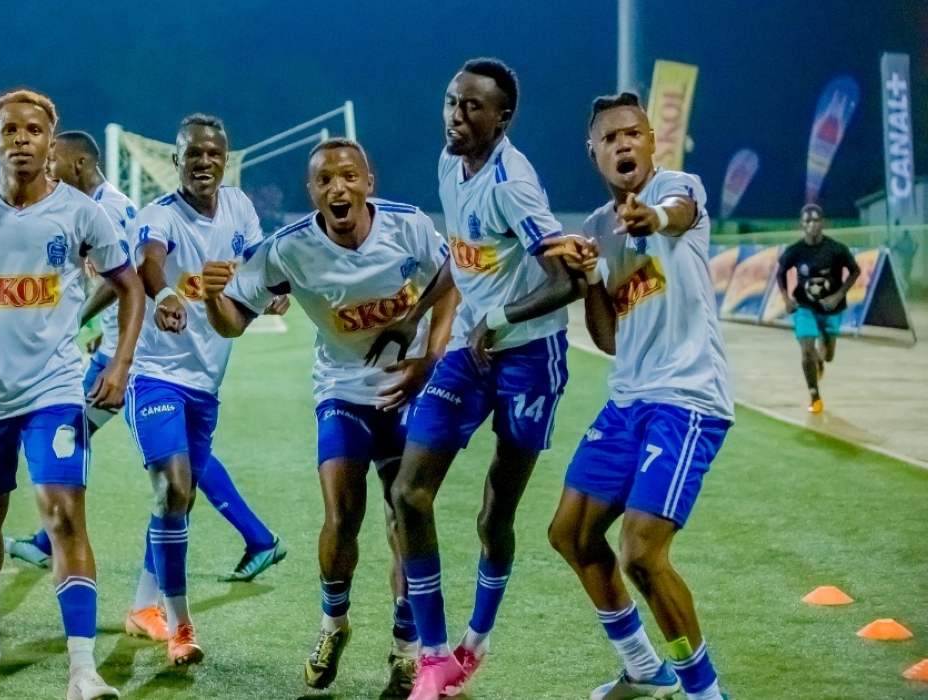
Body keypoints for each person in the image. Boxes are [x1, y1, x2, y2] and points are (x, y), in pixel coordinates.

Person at [203, 138, 456, 696]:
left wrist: (428, 358)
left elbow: (452, 282)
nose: (337, 188)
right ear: (312, 192)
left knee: (403, 515)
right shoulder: (289, 249)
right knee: (342, 513)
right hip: (341, 389)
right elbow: (232, 322)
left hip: (405, 388)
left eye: (348, 176)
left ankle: (405, 646)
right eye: (324, 181)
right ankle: (333, 623)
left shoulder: (409, 225)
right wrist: (209, 295)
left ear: (369, 181)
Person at [366, 58, 580, 700]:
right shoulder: (447, 164)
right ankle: (433, 657)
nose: (456, 117)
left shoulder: (515, 186)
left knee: (494, 514)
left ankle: (474, 645)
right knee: (409, 495)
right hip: (470, 351)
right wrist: (412, 317)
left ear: (503, 118)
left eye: (472, 108)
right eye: (452, 103)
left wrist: (502, 316)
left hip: (530, 359)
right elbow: (461, 259)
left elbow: (565, 278)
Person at [0, 89, 145, 699]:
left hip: (54, 391)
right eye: (9, 130)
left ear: (52, 140)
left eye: (33, 130)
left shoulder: (81, 214)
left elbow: (131, 287)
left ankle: (82, 669)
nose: (21, 138)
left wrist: (120, 363)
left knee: (64, 514)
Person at [4, 130, 286, 590]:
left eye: (55, 163)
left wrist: (80, 325)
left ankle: (54, 538)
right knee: (170, 463)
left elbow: (129, 275)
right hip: (141, 350)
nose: (47, 171)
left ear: (77, 165)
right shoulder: (111, 206)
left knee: (80, 430)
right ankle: (252, 539)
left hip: (136, 353)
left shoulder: (107, 209)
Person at [541, 91, 733, 700]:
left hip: (686, 398)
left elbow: (676, 211)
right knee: (570, 533)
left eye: (634, 134)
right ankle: (645, 669)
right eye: (610, 138)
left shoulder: (679, 188)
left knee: (642, 554)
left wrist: (653, 218)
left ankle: (705, 692)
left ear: (652, 142)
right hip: (629, 398)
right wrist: (591, 276)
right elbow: (607, 338)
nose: (624, 144)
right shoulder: (597, 229)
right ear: (594, 152)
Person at [82, 113, 280, 667]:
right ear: (176, 161)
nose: (204, 162)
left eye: (214, 153)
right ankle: (181, 626)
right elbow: (148, 264)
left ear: (225, 158)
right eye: (193, 154)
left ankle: (144, 605)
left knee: (181, 496)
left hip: (206, 381)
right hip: (155, 374)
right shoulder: (157, 215)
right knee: (173, 488)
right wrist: (166, 295)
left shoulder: (239, 208)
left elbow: (261, 268)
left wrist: (271, 293)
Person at [775, 203, 859, 413]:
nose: (812, 225)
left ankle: (820, 361)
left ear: (823, 223)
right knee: (806, 350)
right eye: (807, 221)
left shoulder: (837, 249)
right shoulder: (795, 251)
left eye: (816, 220)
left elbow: (855, 271)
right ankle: (815, 396)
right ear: (802, 224)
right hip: (805, 307)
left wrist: (838, 295)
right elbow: (780, 273)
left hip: (831, 309)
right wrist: (786, 299)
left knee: (828, 354)